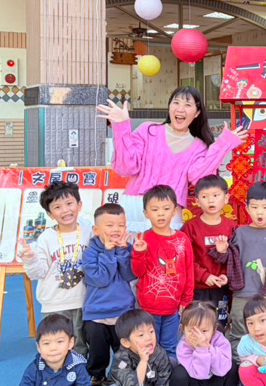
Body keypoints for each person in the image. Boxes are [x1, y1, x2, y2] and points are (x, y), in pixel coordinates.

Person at [98, 86, 248, 231]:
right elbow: (126, 168)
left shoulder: (199, 147)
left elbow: (198, 178)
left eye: (187, 105)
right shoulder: (148, 130)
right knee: (129, 248)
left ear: (197, 113)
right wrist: (121, 127)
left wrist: (223, 145)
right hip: (136, 205)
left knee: (167, 249)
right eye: (176, 102)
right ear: (169, 107)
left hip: (170, 210)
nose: (180, 109)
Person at [212, 181, 266, 356]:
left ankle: (265, 365)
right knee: (239, 332)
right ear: (247, 208)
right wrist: (222, 251)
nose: (260, 212)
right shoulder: (239, 233)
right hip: (242, 293)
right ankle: (241, 366)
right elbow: (229, 261)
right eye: (255, 207)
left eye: (265, 207)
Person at [20, 181, 92, 357]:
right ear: (50, 214)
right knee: (57, 347)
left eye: (69, 203)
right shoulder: (46, 238)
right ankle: (57, 374)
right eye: (57, 207)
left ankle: (79, 373)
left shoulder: (90, 232)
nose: (65, 210)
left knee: (80, 347)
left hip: (83, 302)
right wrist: (30, 259)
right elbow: (38, 273)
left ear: (79, 205)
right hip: (54, 304)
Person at [131, 186, 194, 361]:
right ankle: (149, 376)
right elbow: (138, 272)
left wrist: (187, 300)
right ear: (146, 213)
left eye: (166, 209)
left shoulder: (182, 239)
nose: (160, 214)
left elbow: (189, 271)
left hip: (174, 308)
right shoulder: (143, 239)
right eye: (155, 209)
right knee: (148, 347)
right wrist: (138, 253)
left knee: (170, 347)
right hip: (147, 307)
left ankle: (169, 377)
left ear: (174, 211)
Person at [81, 203, 134, 386]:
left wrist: (122, 252)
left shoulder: (126, 248)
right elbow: (101, 278)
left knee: (123, 353)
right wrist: (109, 253)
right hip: (97, 314)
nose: (116, 230)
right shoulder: (90, 252)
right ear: (96, 230)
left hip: (123, 312)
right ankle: (97, 382)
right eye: (110, 225)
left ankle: (119, 381)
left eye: (121, 225)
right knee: (98, 354)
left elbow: (129, 274)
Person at [96, 309, 175, 386]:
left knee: (173, 363)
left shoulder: (159, 353)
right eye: (141, 335)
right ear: (126, 342)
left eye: (151, 331)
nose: (149, 338)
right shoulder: (121, 358)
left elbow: (163, 384)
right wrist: (143, 361)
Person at [170, 302, 240, 386]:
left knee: (231, 365)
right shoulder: (183, 347)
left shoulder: (221, 341)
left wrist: (208, 348)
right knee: (178, 373)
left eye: (204, 331)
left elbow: (222, 370)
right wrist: (201, 350)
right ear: (182, 329)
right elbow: (199, 374)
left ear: (214, 329)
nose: (199, 336)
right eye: (192, 331)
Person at [181, 175, 234, 307]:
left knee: (221, 319)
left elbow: (235, 257)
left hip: (222, 286)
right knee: (199, 318)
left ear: (226, 198)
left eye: (216, 195)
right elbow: (185, 259)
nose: (211, 200)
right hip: (198, 287)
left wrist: (225, 275)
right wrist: (204, 276)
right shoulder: (190, 228)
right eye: (205, 197)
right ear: (197, 201)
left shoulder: (232, 227)